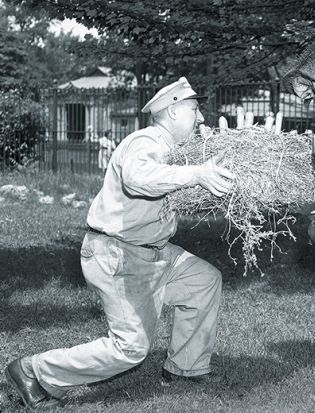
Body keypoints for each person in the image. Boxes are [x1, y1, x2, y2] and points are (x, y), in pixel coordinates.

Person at [4, 77, 235, 409]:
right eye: (195, 109)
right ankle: (33, 370)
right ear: (172, 111)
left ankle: (185, 368)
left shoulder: (174, 150)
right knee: (130, 349)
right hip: (118, 256)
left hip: (155, 253)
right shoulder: (146, 142)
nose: (200, 118)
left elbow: (173, 192)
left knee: (204, 280)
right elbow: (138, 178)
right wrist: (197, 174)